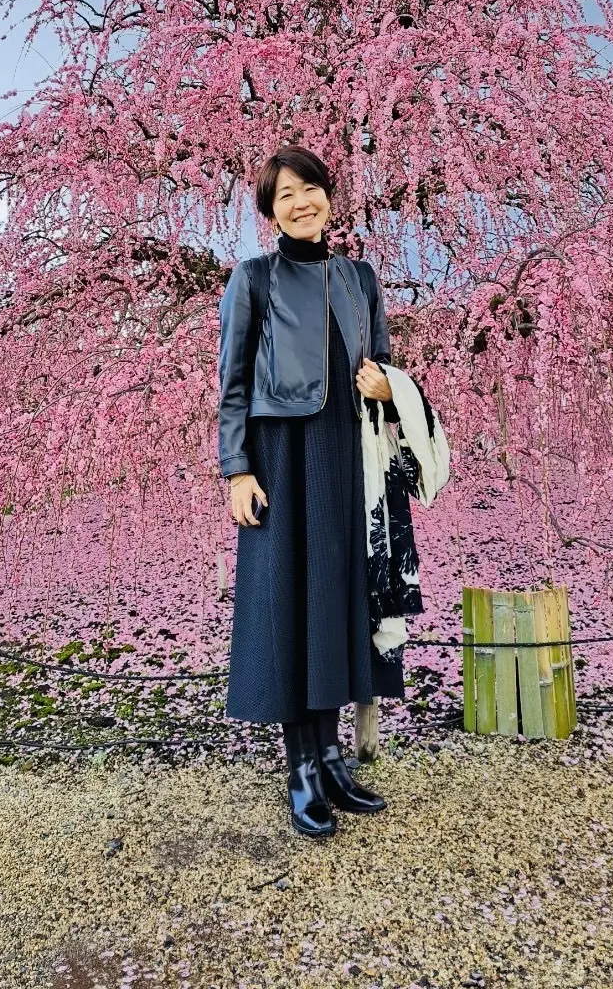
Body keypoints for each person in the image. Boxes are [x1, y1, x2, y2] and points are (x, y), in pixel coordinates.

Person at [217, 146, 412, 839]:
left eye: (311, 190)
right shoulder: (253, 278)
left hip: (349, 458)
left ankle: (331, 759)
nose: (302, 203)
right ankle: (300, 767)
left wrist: (391, 387)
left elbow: (382, 363)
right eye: (285, 195)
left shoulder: (360, 277)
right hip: (282, 459)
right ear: (270, 212)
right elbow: (232, 383)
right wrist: (237, 468)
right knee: (291, 603)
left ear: (331, 197)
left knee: (336, 602)